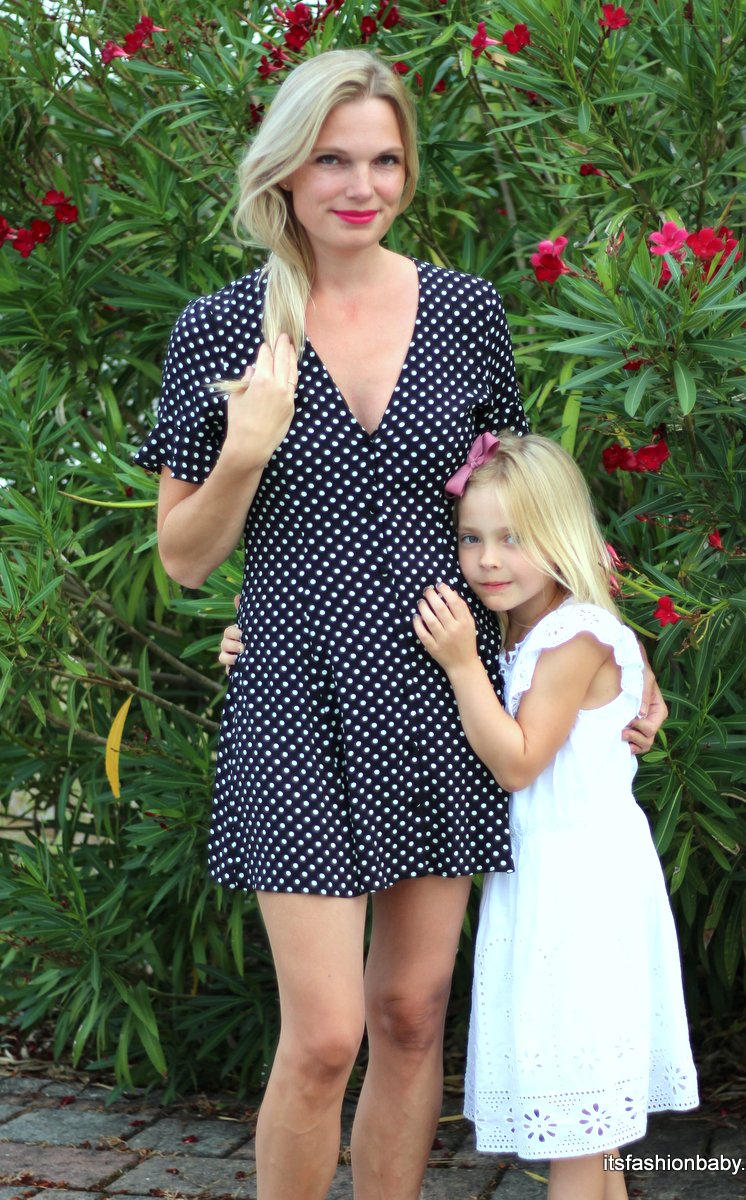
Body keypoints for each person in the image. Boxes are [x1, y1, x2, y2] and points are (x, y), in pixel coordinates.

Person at [136, 48, 665, 1200]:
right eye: (333, 160)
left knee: (413, 1013)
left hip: (442, 688)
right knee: (326, 1035)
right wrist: (246, 448)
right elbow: (182, 557)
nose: (361, 186)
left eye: (384, 160)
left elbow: (522, 511)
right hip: (295, 698)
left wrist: (620, 656)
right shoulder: (220, 332)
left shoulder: (467, 313)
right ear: (286, 170)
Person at [412, 431, 699, 1200]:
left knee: (578, 1129)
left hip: (579, 891)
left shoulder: (571, 636)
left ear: (561, 536)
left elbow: (518, 762)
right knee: (593, 1135)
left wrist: (461, 664)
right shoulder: (530, 625)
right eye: (471, 538)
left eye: (514, 538)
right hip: (551, 882)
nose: (488, 560)